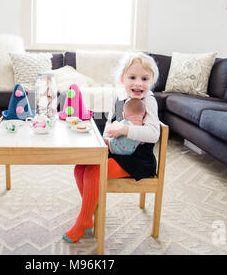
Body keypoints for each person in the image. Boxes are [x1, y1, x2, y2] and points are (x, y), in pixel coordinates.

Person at [63, 52, 160, 243]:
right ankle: (89, 212)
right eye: (132, 77)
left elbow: (153, 133)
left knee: (94, 172)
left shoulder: (149, 101)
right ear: (123, 79)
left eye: (144, 79)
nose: (138, 83)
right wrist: (107, 136)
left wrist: (125, 130)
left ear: (152, 81)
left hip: (138, 160)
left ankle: (83, 221)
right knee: (80, 167)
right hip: (116, 150)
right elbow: (109, 124)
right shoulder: (119, 97)